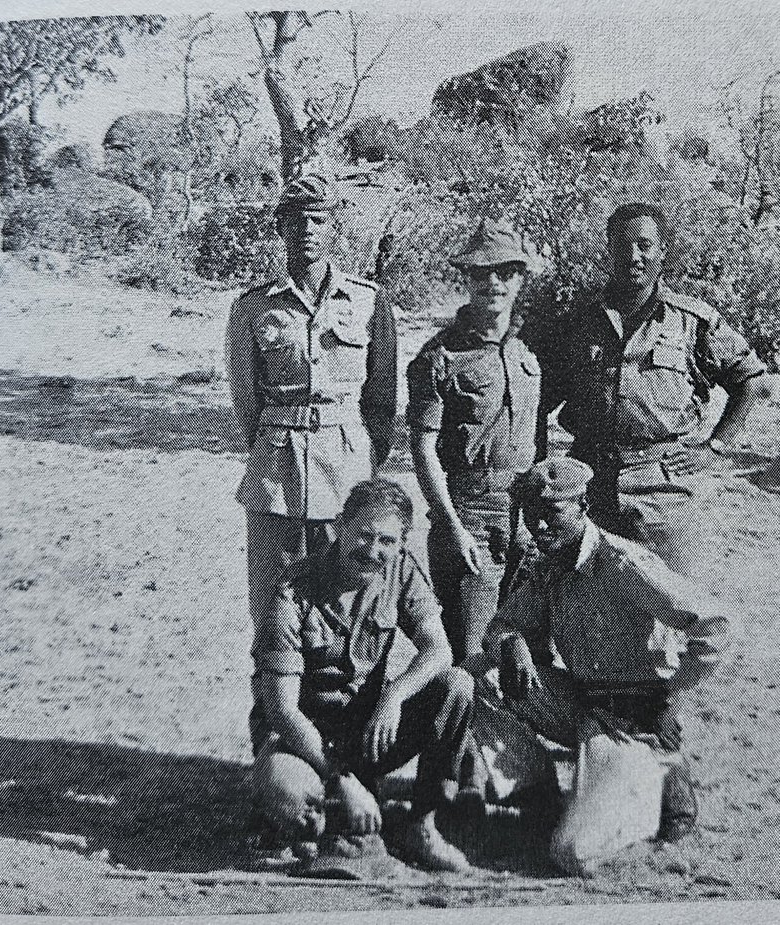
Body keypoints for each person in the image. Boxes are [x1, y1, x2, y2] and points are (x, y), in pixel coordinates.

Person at [483, 458, 733, 844]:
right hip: (582, 702)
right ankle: (538, 790)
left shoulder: (622, 563)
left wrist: (673, 692)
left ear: (582, 507)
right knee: (477, 678)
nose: (540, 526)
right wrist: (511, 642)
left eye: (551, 512)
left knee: (575, 852)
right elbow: (500, 628)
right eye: (532, 515)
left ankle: (663, 778)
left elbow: (716, 624)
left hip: (633, 719)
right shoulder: (549, 566)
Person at [250, 478, 473, 873]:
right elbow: (282, 710)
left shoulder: (401, 572)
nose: (372, 551)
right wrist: (342, 780)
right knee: (297, 807)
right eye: (363, 535)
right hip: (303, 740)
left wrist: (394, 696)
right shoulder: (291, 591)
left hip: (366, 730)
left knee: (456, 685)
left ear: (401, 543)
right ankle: (312, 816)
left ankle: (421, 825)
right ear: (339, 526)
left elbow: (440, 649)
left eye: (386, 541)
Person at [535, 202, 769, 575]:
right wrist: (541, 473)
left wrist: (716, 445)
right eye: (623, 245)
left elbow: (750, 378)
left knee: (676, 612)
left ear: (662, 252)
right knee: (596, 616)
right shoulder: (578, 322)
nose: (634, 256)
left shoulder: (693, 322)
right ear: (608, 250)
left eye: (645, 245)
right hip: (589, 491)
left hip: (665, 491)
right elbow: (538, 398)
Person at [225, 173, 397, 653]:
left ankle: (341, 709)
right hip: (275, 473)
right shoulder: (253, 307)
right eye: (296, 220)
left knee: (345, 605)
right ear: (279, 228)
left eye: (318, 220)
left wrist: (365, 462)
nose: (307, 230)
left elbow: (382, 397)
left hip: (345, 468)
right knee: (274, 606)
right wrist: (270, 444)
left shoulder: (367, 300)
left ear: (334, 229)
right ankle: (275, 717)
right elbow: (246, 400)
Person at [407, 218, 540, 665]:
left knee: (529, 649)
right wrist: (452, 526)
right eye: (481, 273)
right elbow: (423, 450)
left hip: (527, 513)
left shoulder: (529, 349)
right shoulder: (438, 356)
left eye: (505, 272)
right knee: (471, 655)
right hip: (470, 514)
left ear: (521, 279)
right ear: (466, 280)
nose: (493, 283)